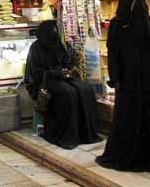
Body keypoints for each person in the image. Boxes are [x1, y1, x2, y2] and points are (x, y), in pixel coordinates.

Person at [96, 0, 150, 172]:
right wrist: (116, 79)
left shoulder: (147, 26)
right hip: (130, 83)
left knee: (149, 118)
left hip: (149, 82)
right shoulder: (119, 27)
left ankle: (149, 156)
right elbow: (114, 55)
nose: (142, 9)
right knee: (131, 118)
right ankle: (135, 156)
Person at [25, 20, 99, 150]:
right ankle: (67, 134)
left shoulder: (58, 45)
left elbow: (66, 61)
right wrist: (56, 72)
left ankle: (85, 133)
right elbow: (35, 73)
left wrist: (69, 69)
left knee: (85, 90)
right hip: (45, 81)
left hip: (62, 77)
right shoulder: (35, 48)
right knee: (68, 93)